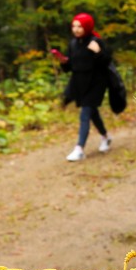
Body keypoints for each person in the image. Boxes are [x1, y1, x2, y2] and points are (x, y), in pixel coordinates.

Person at [51, 12, 112, 162]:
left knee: (85, 113)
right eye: (74, 26)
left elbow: (106, 62)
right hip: (80, 84)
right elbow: (70, 67)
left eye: (80, 26)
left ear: (87, 27)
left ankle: (79, 149)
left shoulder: (95, 42)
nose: (76, 29)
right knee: (92, 113)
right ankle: (105, 137)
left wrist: (98, 52)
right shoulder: (73, 44)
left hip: (96, 83)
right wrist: (63, 62)